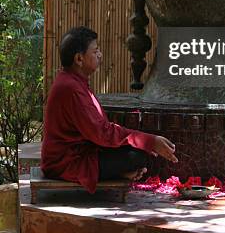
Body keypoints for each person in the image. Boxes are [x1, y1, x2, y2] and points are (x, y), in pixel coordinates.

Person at [41, 26, 177, 194]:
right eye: (95, 51)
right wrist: (149, 141)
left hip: (78, 154)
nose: (100, 55)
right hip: (66, 163)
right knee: (137, 156)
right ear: (79, 59)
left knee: (137, 152)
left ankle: (122, 172)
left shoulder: (73, 82)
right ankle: (121, 171)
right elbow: (101, 133)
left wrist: (144, 142)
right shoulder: (71, 88)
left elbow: (98, 132)